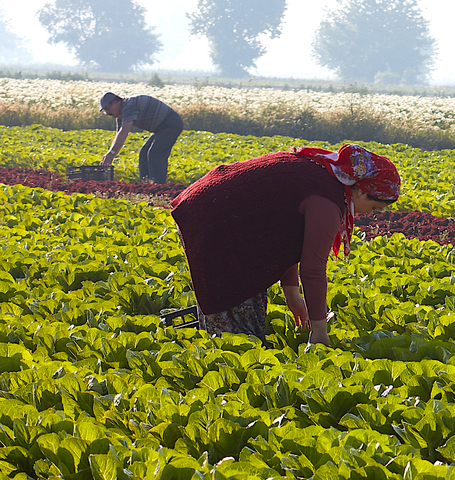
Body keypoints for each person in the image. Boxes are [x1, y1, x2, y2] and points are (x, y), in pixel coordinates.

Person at [168, 144, 401, 344]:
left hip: (214, 211)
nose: (370, 214)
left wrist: (292, 294)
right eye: (375, 207)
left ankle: (216, 332)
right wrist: (319, 331)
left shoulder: (322, 173)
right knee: (235, 317)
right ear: (361, 191)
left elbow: (283, 235)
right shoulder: (327, 200)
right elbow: (312, 270)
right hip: (215, 222)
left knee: (247, 304)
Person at [99, 91, 184, 184]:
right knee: (144, 153)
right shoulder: (121, 114)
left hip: (171, 124)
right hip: (161, 128)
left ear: (115, 103)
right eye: (105, 111)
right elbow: (119, 135)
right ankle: (145, 185)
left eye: (108, 109)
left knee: (155, 153)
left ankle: (159, 186)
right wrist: (110, 153)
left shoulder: (128, 106)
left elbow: (124, 132)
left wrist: (111, 154)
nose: (107, 113)